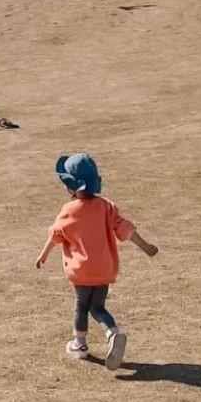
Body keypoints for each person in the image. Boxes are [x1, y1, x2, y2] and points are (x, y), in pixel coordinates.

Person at [35, 154, 157, 367]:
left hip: (81, 272)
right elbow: (123, 227)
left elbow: (55, 235)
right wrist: (145, 246)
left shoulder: (69, 210)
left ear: (71, 185)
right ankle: (112, 332)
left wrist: (43, 255)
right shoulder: (106, 206)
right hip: (104, 269)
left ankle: (80, 345)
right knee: (98, 307)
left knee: (81, 306)